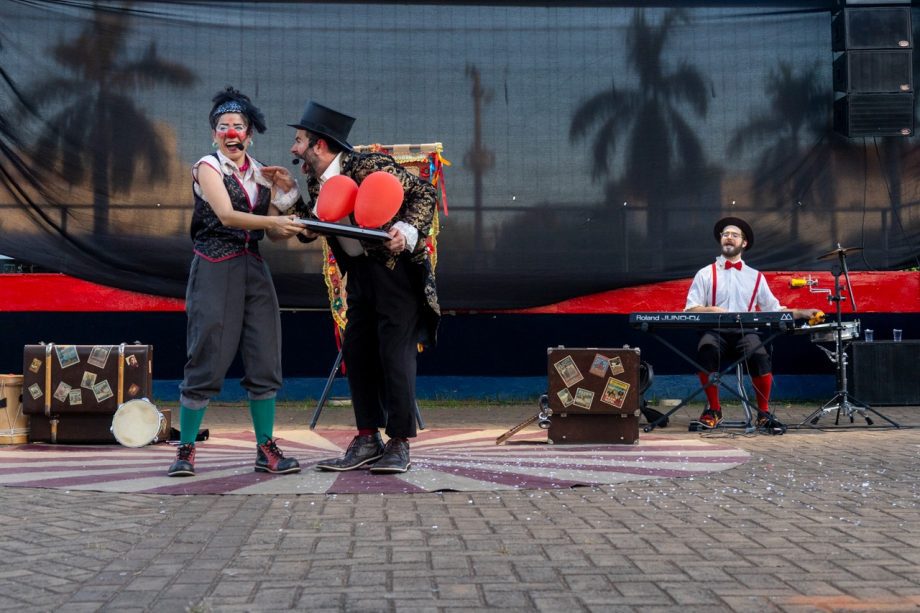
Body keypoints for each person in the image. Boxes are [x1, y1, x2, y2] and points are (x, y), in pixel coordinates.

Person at [262, 101, 439, 474]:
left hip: (396, 273)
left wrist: (406, 230)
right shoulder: (317, 181)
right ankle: (367, 438)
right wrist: (290, 194)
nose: (294, 148)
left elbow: (425, 193)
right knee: (357, 352)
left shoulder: (368, 166)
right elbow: (314, 229)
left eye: (299, 141)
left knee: (395, 355)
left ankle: (399, 442)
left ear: (320, 145)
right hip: (360, 276)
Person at [167, 87, 306, 477]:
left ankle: (266, 448)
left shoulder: (260, 173)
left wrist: (287, 193)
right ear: (214, 134)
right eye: (224, 126)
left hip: (252, 267)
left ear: (249, 134)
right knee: (207, 353)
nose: (231, 133)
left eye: (238, 126)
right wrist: (275, 219)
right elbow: (227, 215)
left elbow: (274, 232)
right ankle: (186, 449)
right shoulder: (207, 167)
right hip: (214, 265)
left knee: (265, 355)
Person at [685, 217, 822, 432]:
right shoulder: (705, 273)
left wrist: (802, 312)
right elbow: (691, 309)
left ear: (744, 242)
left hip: (745, 331)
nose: (729, 237)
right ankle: (714, 410)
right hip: (715, 330)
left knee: (759, 354)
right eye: (725, 234)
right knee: (706, 349)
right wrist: (711, 310)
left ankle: (763, 414)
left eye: (734, 235)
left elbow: (774, 309)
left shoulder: (755, 277)